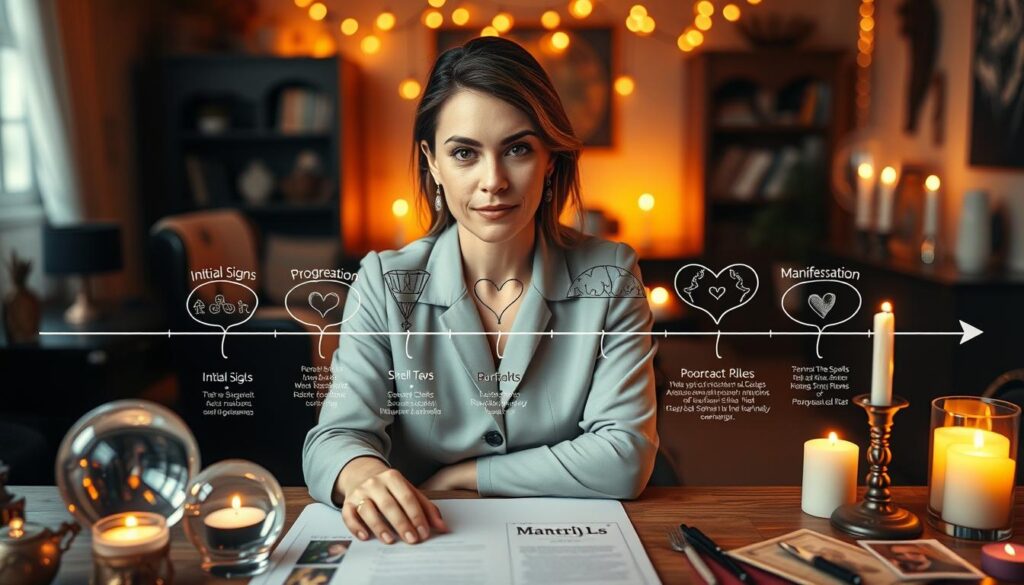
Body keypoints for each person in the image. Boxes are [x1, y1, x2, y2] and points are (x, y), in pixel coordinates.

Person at [303, 37, 659, 547]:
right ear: (432, 162)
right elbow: (334, 439)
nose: (493, 181)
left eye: (517, 149)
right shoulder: (384, 282)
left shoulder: (612, 274)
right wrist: (361, 474)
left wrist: (467, 475)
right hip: (428, 547)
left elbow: (624, 456)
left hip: (566, 545)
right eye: (465, 153)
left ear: (550, 159)